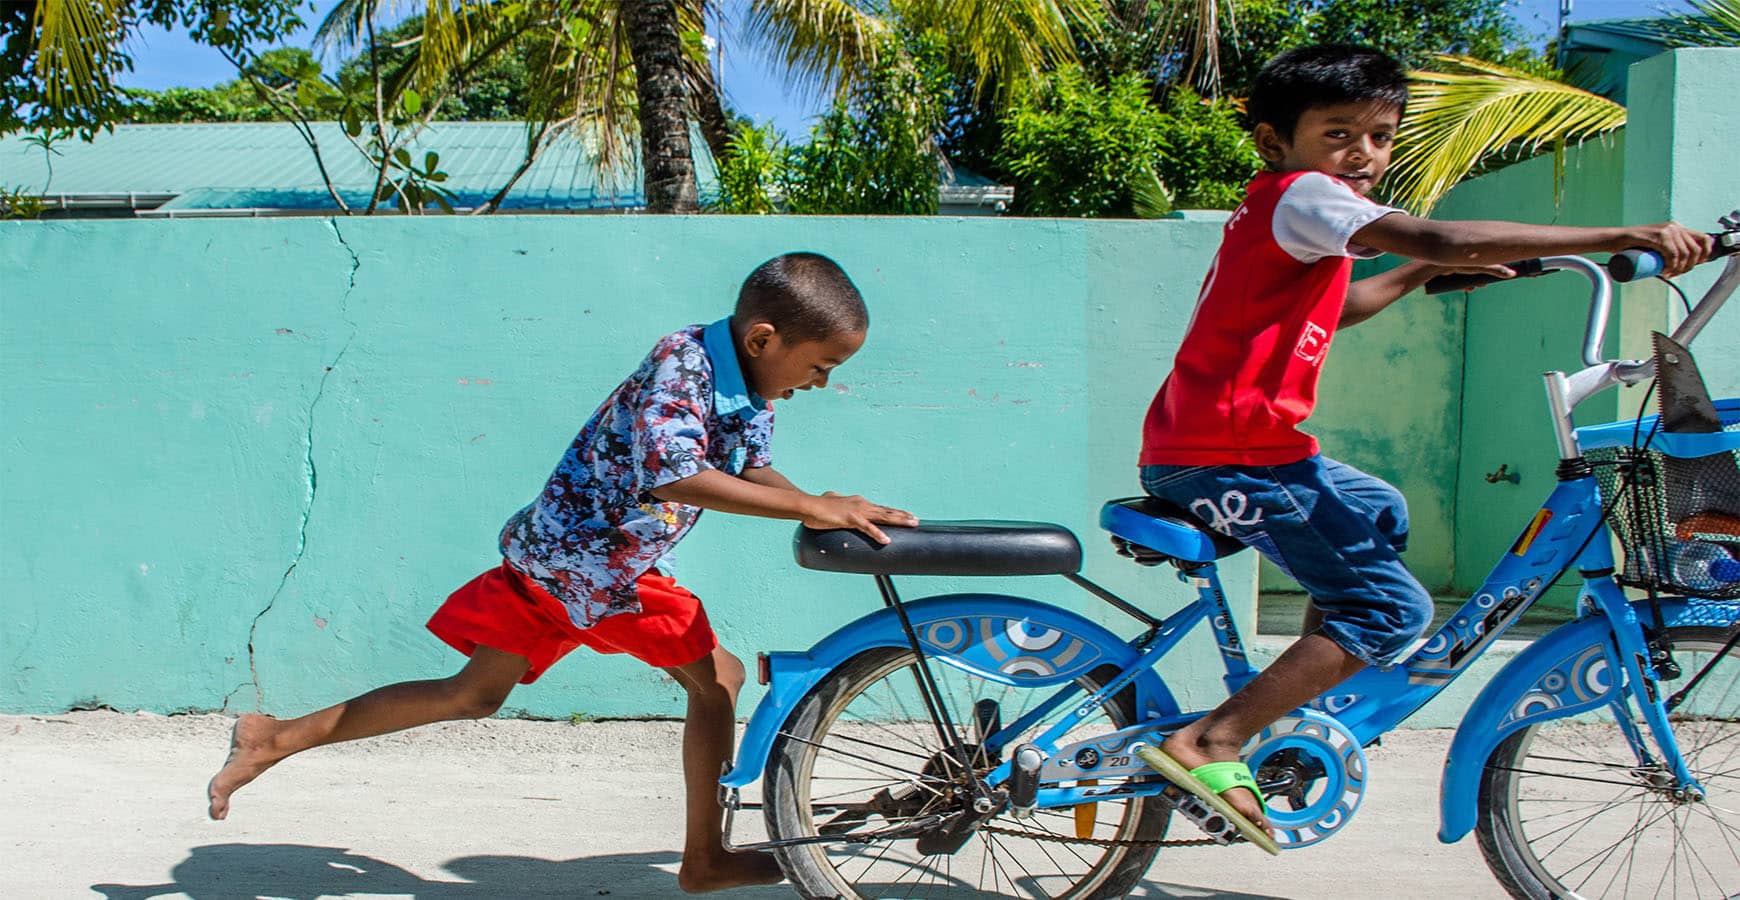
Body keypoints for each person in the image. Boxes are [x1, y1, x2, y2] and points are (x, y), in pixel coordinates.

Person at [1138, 44, 1712, 842]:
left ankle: (1303, 705)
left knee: (1379, 510)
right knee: (1390, 607)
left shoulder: (1295, 207)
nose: (1364, 154)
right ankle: (1212, 738)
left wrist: (1418, 278)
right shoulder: (1308, 194)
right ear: (1277, 142)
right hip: (1226, 453)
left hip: (1239, 444)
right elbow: (1437, 237)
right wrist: (1623, 231)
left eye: (1380, 135)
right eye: (1340, 133)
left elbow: (1339, 308)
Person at [206, 252, 918, 892]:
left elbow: (751, 468)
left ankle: (277, 737)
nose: (821, 383)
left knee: (472, 694)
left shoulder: (747, 387)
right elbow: (677, 476)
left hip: (563, 560)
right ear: (765, 339)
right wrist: (806, 506)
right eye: (821, 366)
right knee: (718, 680)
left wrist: (818, 507)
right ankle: (706, 860)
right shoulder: (684, 365)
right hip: (595, 569)